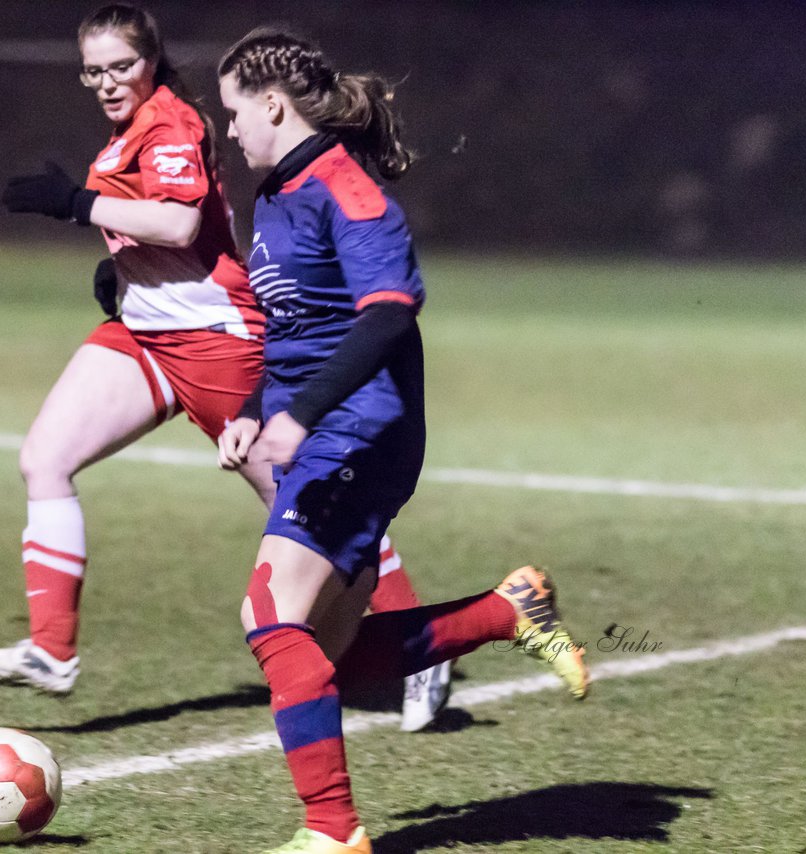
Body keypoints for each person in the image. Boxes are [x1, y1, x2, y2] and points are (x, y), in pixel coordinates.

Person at [0, 3, 453, 732]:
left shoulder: (172, 124)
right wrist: (122, 272)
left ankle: (420, 642)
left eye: (120, 65)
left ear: (150, 61)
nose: (105, 81)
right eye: (92, 70)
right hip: (145, 334)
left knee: (308, 500)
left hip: (211, 339)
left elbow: (181, 222)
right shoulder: (130, 128)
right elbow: (155, 229)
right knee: (45, 458)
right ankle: (50, 650)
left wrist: (74, 203)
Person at [214, 28, 590, 853]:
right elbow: (296, 332)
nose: (229, 129)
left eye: (234, 111)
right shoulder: (276, 196)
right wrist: (252, 404)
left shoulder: (346, 188)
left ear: (273, 105)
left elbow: (390, 309)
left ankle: (333, 831)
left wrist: (303, 413)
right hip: (327, 426)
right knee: (332, 652)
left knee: (271, 614)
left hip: (361, 429)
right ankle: (507, 610)